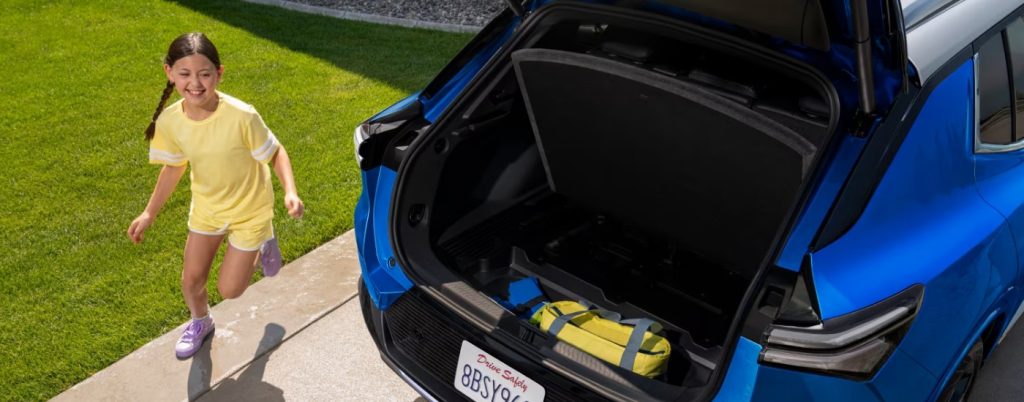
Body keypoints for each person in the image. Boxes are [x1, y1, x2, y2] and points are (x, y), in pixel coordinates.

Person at [126, 32, 304, 359]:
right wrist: (149, 213)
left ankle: (264, 238)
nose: (195, 83)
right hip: (208, 209)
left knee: (230, 290)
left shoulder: (242, 115)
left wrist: (289, 193)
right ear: (169, 73)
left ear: (219, 73)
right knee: (191, 279)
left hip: (251, 210)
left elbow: (276, 152)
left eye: (204, 74)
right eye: (184, 74)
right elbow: (173, 168)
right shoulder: (170, 121)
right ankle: (201, 321)